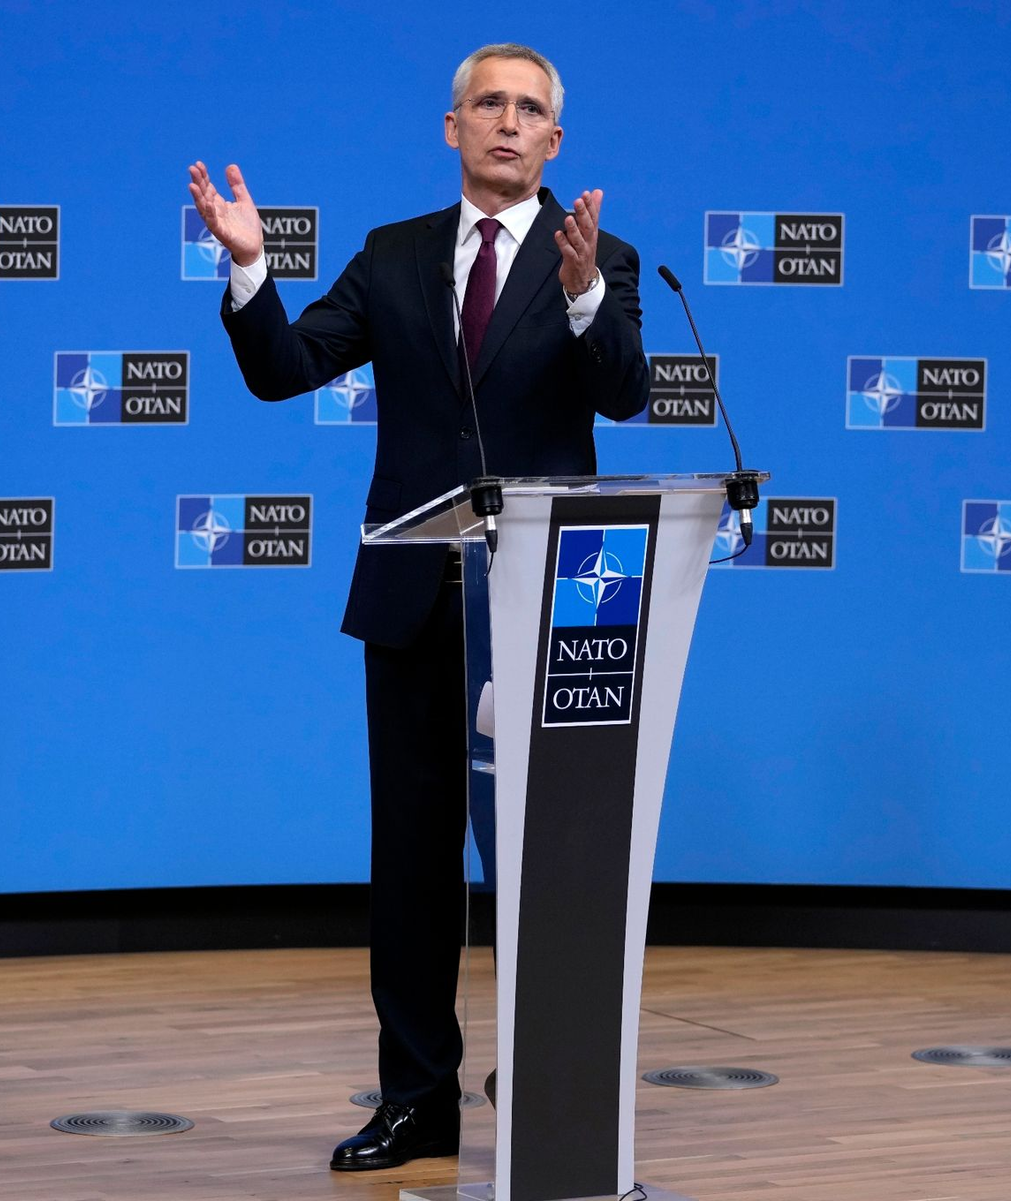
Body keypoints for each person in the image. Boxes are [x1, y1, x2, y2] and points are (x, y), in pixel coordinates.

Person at [188, 42, 650, 1172]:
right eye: (489, 103)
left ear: (555, 140)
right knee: (410, 865)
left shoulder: (601, 257)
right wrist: (250, 269)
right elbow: (285, 368)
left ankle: (549, 1086)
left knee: (545, 865)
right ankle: (417, 1100)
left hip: (543, 615)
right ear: (453, 127)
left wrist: (585, 297)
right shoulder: (393, 253)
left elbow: (626, 395)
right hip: (411, 602)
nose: (508, 121)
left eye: (529, 109)